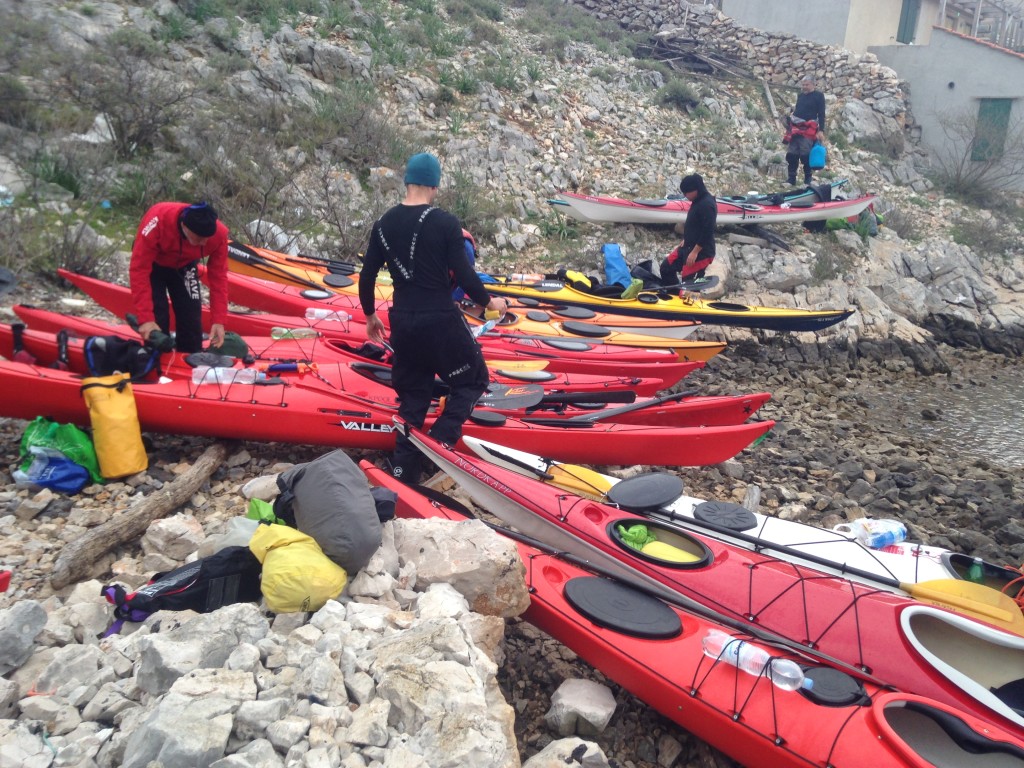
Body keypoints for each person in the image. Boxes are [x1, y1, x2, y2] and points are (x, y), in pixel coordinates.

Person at [358, 153, 508, 484]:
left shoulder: (383, 225)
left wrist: (370, 315)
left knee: (413, 396)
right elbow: (466, 276)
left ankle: (403, 472)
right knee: (472, 380)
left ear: (408, 181)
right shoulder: (445, 222)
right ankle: (439, 443)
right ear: (434, 185)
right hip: (440, 319)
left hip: (403, 321)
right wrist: (490, 302)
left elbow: (367, 277)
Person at [129, 201, 229, 353]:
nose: (203, 243)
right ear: (184, 226)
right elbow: (139, 269)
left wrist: (219, 320)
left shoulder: (219, 234)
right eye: (199, 238)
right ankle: (156, 358)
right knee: (158, 319)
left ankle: (190, 358)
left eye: (207, 238)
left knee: (192, 320)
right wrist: (145, 319)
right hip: (154, 265)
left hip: (185, 265)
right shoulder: (158, 220)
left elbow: (219, 276)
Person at [660, 173, 717, 287]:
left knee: (688, 286)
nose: (685, 195)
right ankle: (675, 294)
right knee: (666, 268)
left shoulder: (707, 204)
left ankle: (686, 298)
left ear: (696, 189)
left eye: (687, 192)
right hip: (687, 246)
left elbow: (708, 231)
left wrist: (695, 252)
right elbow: (695, 225)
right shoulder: (697, 200)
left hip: (701, 252)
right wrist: (687, 238)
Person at [785, 75, 826, 186]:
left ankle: (808, 179)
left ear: (813, 84)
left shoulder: (819, 96)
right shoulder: (801, 96)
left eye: (806, 85)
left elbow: (821, 114)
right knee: (791, 154)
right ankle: (791, 178)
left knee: (805, 154)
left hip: (808, 129)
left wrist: (821, 130)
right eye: (803, 85)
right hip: (795, 128)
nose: (804, 87)